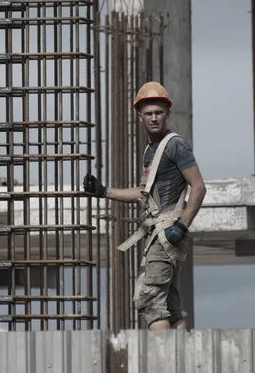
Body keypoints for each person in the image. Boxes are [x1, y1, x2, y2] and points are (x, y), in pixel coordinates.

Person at [83, 81, 206, 330]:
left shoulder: (175, 145)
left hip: (167, 231)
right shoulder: (153, 149)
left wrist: (181, 226)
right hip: (162, 233)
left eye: (158, 112)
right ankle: (181, 361)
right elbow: (144, 193)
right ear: (139, 115)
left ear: (167, 113)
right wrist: (104, 191)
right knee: (170, 306)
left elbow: (199, 187)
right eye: (148, 113)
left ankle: (161, 364)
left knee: (150, 303)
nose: (153, 118)